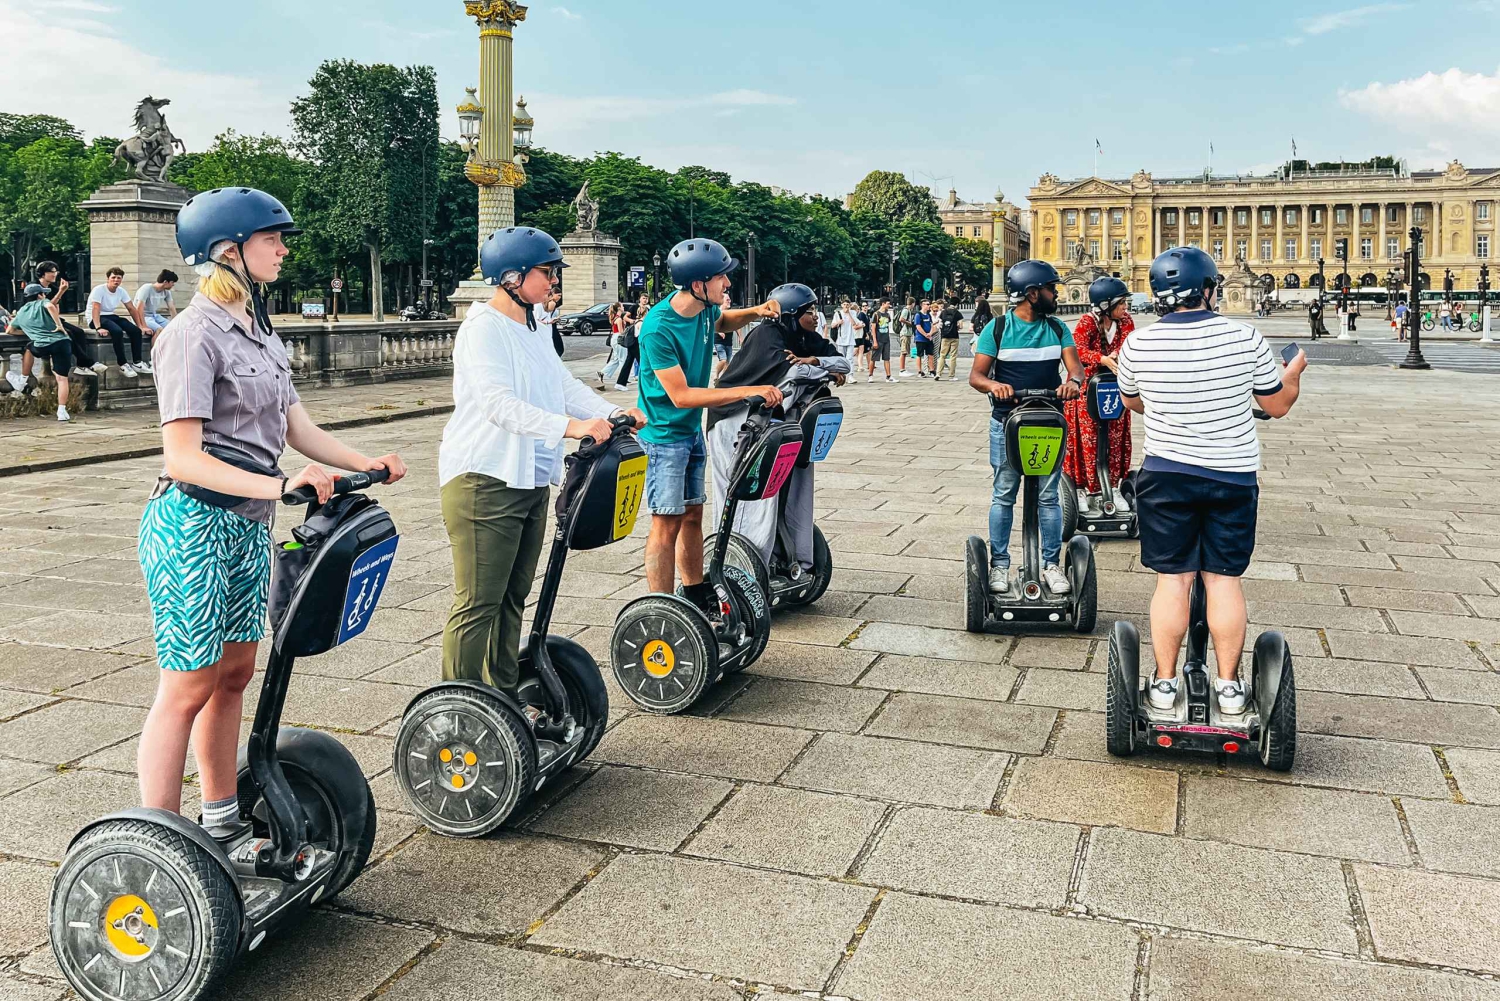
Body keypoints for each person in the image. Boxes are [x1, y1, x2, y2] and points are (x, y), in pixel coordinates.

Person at [136, 186, 408, 828]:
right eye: (272, 240)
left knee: (234, 674)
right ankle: (159, 838)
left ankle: (221, 816)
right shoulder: (189, 336)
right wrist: (279, 486)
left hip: (245, 525)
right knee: (187, 686)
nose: (283, 250)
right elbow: (183, 456)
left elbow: (298, 430)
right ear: (228, 251)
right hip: (192, 523)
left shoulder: (259, 333)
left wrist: (363, 462)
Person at [440, 227, 643, 694]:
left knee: (513, 598)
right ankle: (459, 707)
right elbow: (498, 404)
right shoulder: (482, 329)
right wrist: (573, 428)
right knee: (477, 603)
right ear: (511, 276)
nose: (555, 280)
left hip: (528, 477)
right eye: (547, 272)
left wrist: (613, 412)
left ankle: (503, 695)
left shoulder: (534, 326)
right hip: (483, 480)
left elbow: (563, 388)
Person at [1117, 247, 1305, 717]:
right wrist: (1294, 376)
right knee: (1222, 582)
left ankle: (1162, 683)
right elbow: (1276, 405)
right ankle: (1228, 686)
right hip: (1231, 475)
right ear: (1209, 289)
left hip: (1167, 475)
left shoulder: (1137, 344)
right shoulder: (1245, 337)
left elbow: (1134, 403)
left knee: (1173, 581)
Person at [636, 237, 783, 616]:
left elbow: (724, 320)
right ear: (699, 285)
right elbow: (681, 396)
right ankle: (662, 608)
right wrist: (747, 390)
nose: (728, 285)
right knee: (666, 522)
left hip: (689, 433)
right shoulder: (657, 327)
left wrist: (758, 312)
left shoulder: (703, 310)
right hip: (664, 436)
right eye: (722, 279)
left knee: (693, 516)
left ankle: (695, 590)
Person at [707, 283, 849, 564]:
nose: (816, 316)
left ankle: (784, 556)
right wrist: (823, 369)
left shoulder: (805, 338)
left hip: (774, 422)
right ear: (791, 313)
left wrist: (817, 360)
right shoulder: (766, 334)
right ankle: (742, 561)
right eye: (809, 311)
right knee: (751, 492)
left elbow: (843, 363)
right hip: (736, 421)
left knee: (786, 488)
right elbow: (793, 372)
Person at [967, 260, 1085, 595]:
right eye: (1051, 288)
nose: (1056, 293)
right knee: (1004, 494)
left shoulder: (1058, 328)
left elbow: (1075, 368)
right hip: (1007, 422)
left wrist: (1073, 382)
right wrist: (994, 387)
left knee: (1049, 497)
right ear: (1033, 294)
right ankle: (999, 565)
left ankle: (1050, 564)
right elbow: (976, 376)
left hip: (1048, 420)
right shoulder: (998, 328)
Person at [1062, 277, 1134, 516]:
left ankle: (1112, 487)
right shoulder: (1087, 322)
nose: (1125, 307)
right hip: (1087, 392)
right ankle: (1082, 489)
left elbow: (1130, 345)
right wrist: (1101, 358)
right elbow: (1076, 349)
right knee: (1086, 440)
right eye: (1121, 303)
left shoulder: (1126, 322)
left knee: (1114, 438)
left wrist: (1118, 353)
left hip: (1115, 389)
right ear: (1105, 305)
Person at [5, 283, 77, 421]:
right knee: (62, 379)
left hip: (41, 344)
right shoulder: (43, 302)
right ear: (39, 295)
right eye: (43, 293)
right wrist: (59, 325)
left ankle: (22, 379)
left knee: (29, 349)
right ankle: (62, 411)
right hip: (61, 342)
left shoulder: (21, 311)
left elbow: (10, 331)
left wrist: (31, 332)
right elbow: (50, 306)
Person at [31, 261, 107, 384]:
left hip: (54, 319)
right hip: (42, 321)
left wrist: (60, 293)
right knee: (68, 334)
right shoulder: (34, 287)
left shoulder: (53, 288)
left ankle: (81, 366)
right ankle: (89, 363)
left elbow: (56, 309)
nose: (55, 274)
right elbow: (45, 307)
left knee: (79, 332)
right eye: (52, 271)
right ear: (42, 273)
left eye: (56, 271)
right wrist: (61, 292)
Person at [89, 267, 151, 376]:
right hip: (96, 318)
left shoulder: (121, 291)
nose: (116, 280)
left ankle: (137, 362)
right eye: (113, 277)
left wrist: (140, 326)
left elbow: (131, 308)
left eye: (119, 278)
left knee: (135, 331)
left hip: (110, 316)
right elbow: (96, 308)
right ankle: (123, 364)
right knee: (117, 331)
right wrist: (98, 327)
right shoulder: (99, 290)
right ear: (108, 278)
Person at [935, 297, 964, 380]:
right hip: (954, 336)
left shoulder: (943, 312)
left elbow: (940, 324)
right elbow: (961, 326)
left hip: (945, 336)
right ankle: (951, 375)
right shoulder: (957, 313)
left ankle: (938, 373)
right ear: (957, 304)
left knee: (942, 355)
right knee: (953, 356)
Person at [867, 299, 895, 382]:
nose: (889, 305)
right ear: (883, 304)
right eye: (888, 304)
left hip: (886, 338)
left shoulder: (887, 314)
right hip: (878, 339)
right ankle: (870, 375)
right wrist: (875, 341)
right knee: (874, 358)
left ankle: (888, 376)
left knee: (887, 358)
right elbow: (873, 328)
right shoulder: (876, 314)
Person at [713, 289, 735, 382]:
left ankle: (723, 379)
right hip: (718, 341)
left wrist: (741, 338)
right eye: (727, 299)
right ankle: (716, 375)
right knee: (723, 359)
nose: (729, 301)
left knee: (727, 363)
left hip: (728, 340)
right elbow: (712, 323)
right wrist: (718, 331)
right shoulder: (717, 312)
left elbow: (736, 326)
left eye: (729, 299)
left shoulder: (731, 313)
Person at [533, 289, 562, 357]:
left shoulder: (547, 306)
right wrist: (548, 322)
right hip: (541, 331)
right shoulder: (539, 305)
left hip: (548, 330)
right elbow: (536, 319)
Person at [911, 299, 936, 378]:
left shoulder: (928, 315)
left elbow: (932, 325)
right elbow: (918, 326)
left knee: (930, 354)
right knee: (919, 354)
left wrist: (930, 333)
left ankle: (931, 370)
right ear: (922, 305)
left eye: (929, 304)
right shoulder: (918, 315)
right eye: (927, 304)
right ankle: (920, 371)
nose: (929, 306)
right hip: (920, 338)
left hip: (929, 338)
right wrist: (925, 334)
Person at [896, 297, 915, 376]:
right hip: (904, 333)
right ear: (913, 303)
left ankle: (903, 369)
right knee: (903, 352)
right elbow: (901, 319)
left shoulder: (908, 311)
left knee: (905, 351)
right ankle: (902, 370)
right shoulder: (906, 310)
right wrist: (909, 323)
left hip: (907, 333)